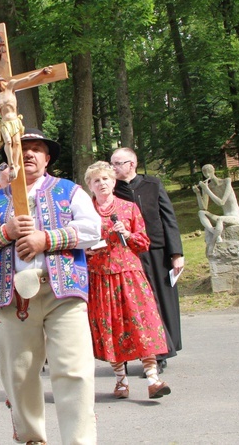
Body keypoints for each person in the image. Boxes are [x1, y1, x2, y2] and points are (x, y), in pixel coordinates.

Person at [0, 128, 101, 445]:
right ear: (9, 157)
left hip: (63, 293)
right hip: (12, 298)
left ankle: (79, 441)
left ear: (47, 158)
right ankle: (31, 439)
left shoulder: (70, 191)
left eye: (36, 148)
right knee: (19, 374)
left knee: (74, 370)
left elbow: (93, 230)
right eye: (20, 148)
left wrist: (47, 239)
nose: (28, 153)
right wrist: (7, 232)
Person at [83, 161, 171, 400]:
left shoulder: (129, 208)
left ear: (114, 182)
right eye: (96, 180)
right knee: (111, 327)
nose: (101, 183)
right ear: (89, 186)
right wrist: (84, 251)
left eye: (106, 179)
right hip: (100, 277)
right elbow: (75, 243)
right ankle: (121, 381)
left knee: (141, 323)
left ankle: (153, 379)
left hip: (130, 274)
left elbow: (144, 242)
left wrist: (128, 234)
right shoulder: (84, 212)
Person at [111, 147, 184, 370]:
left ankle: (163, 351)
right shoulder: (113, 192)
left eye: (117, 163)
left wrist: (177, 254)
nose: (113, 168)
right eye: (112, 163)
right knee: (143, 304)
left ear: (131, 164)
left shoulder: (153, 185)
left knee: (162, 301)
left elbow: (168, 218)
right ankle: (152, 354)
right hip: (130, 254)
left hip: (158, 252)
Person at [193, 164, 239, 251]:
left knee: (220, 219)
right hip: (225, 218)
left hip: (236, 217)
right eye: (204, 172)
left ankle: (213, 244)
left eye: (209, 171)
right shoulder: (208, 187)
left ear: (213, 171)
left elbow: (221, 202)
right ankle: (215, 234)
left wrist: (206, 189)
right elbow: (203, 207)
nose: (207, 174)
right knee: (201, 213)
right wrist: (198, 193)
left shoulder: (226, 181)